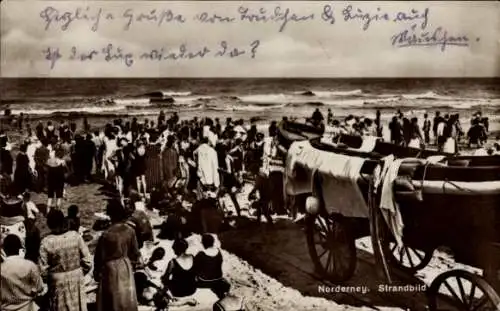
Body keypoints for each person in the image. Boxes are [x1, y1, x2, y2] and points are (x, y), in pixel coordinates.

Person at [39, 209, 92, 311]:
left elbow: (43, 270)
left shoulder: (46, 242)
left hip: (58, 282)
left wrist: (52, 278)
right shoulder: (75, 236)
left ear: (49, 223)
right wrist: (79, 272)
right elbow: (87, 260)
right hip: (77, 278)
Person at [94, 200, 141, 311]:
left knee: (112, 298)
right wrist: (132, 264)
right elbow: (135, 252)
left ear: (110, 215)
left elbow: (99, 256)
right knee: (126, 296)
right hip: (125, 265)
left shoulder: (106, 234)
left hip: (110, 268)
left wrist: (97, 271)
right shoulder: (130, 230)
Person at [1, 234, 44, 311]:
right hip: (28, 307)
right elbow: (39, 288)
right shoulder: (30, 265)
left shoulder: (1, 268)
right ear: (19, 248)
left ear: (4, 249)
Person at [161, 239, 198, 305]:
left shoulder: (173, 262)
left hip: (178, 292)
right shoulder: (192, 257)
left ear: (176, 248)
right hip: (192, 289)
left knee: (164, 280)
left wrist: (162, 278)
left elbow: (165, 278)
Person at [195, 234, 230, 299]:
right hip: (218, 279)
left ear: (204, 243)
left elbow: (194, 268)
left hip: (205, 281)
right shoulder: (218, 252)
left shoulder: (201, 254)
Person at [46, 148, 66, 213]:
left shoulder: (48, 161)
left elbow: (47, 170)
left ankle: (47, 212)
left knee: (50, 197)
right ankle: (58, 211)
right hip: (59, 181)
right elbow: (65, 171)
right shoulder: (62, 162)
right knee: (59, 197)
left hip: (50, 181)